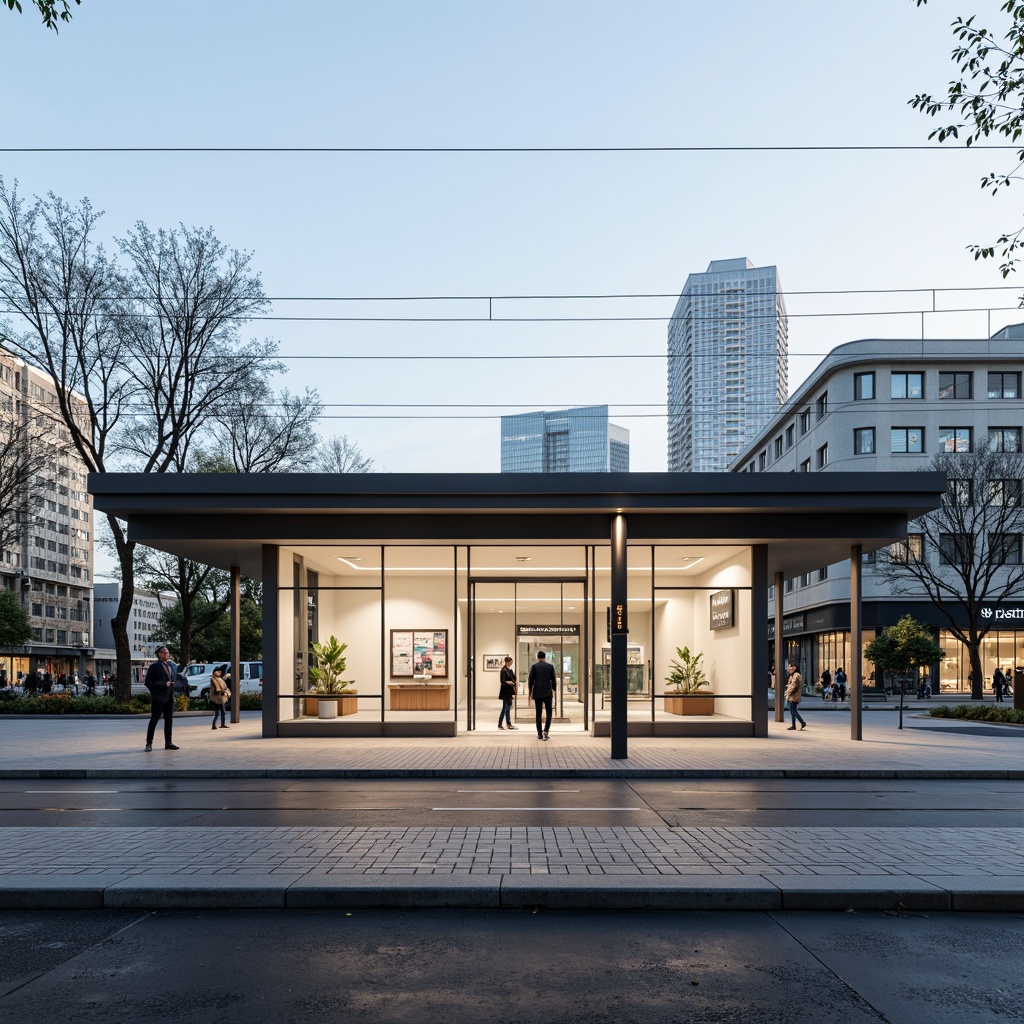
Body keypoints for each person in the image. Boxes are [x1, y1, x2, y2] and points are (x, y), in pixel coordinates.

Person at [144, 645, 180, 751]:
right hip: (158, 697)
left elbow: (172, 678)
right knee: (154, 719)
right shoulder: (154, 667)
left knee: (169, 719)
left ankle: (168, 742)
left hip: (169, 696)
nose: (167, 654)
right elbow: (148, 682)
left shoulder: (170, 666)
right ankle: (149, 743)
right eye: (164, 652)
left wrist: (172, 683)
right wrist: (160, 687)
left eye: (167, 653)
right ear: (159, 654)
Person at [528, 650, 557, 740]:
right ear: (545, 657)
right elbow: (553, 680)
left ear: (537, 657)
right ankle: (546, 731)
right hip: (548, 692)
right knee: (549, 713)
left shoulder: (534, 667)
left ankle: (539, 733)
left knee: (538, 713)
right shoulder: (550, 666)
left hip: (538, 693)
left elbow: (530, 680)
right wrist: (554, 690)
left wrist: (530, 692)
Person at [498, 656, 518, 730]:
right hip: (505, 691)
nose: (511, 663)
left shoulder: (509, 670)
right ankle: (500, 724)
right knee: (505, 707)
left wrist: (513, 682)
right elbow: (502, 681)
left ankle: (508, 723)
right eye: (510, 662)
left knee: (508, 707)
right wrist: (509, 682)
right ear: (507, 662)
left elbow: (514, 678)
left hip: (509, 691)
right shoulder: (503, 670)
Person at [785, 662, 806, 731]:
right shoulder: (793, 675)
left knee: (793, 711)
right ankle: (794, 725)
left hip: (793, 696)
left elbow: (794, 686)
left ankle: (802, 722)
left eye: (790, 667)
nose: (789, 669)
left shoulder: (796, 675)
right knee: (792, 711)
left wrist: (789, 692)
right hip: (792, 695)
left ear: (794, 668)